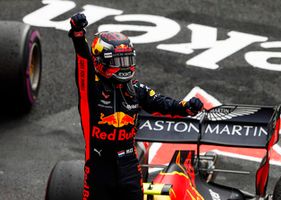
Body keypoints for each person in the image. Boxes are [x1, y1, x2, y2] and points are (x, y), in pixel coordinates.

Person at [68, 13, 203, 200]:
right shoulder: (91, 91)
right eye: (118, 61)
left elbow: (162, 104)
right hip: (98, 168)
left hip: (129, 166)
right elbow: (83, 62)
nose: (124, 66)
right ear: (100, 61)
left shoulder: (135, 90)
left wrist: (186, 107)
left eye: (127, 60)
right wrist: (78, 35)